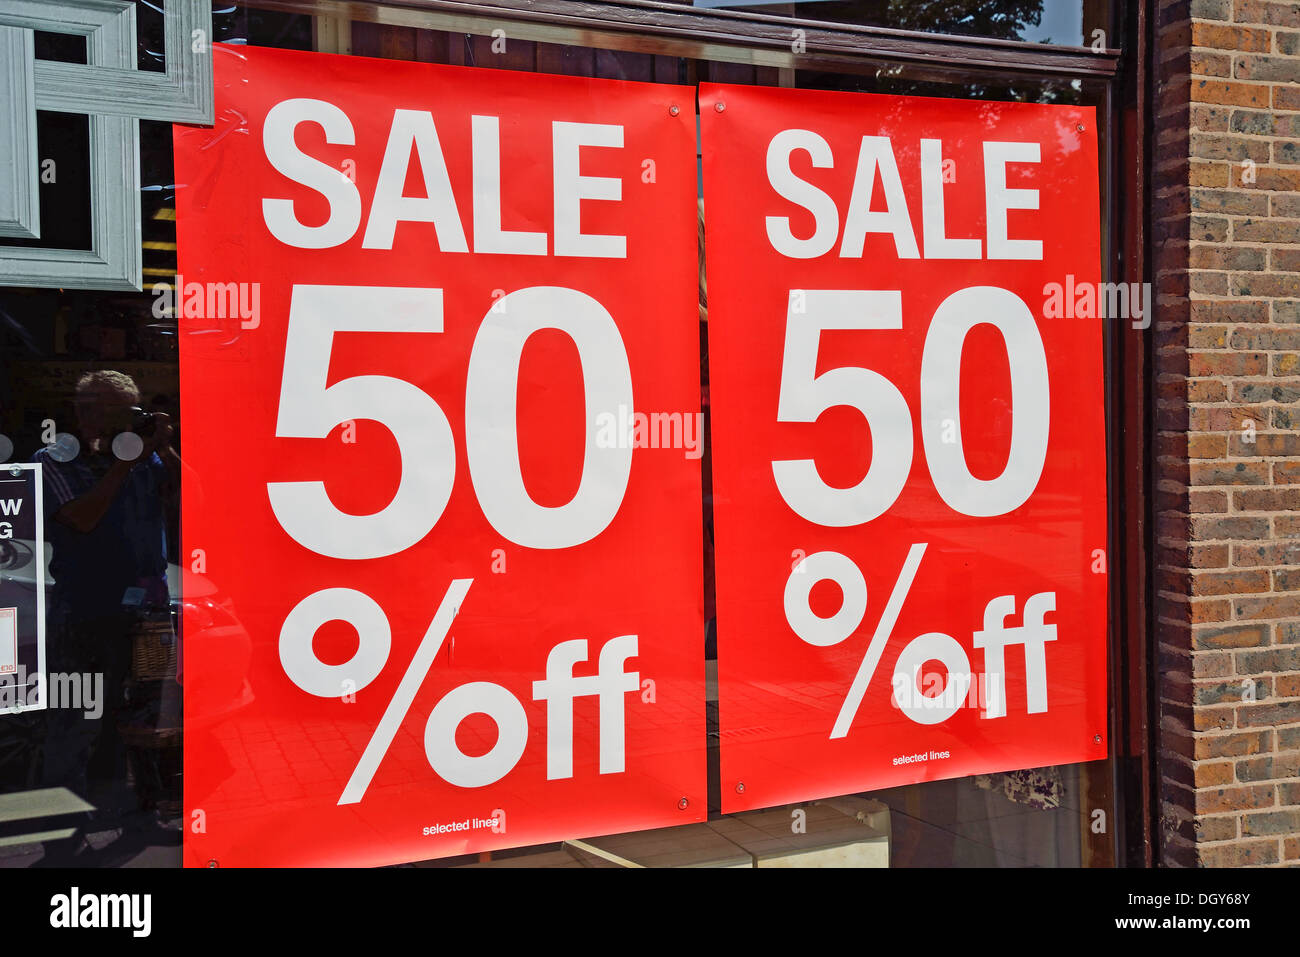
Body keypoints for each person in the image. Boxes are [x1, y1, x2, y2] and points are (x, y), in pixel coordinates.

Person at [34, 370, 178, 810]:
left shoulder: (144, 457)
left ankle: (119, 801)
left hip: (145, 611)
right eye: (107, 411)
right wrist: (127, 462)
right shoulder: (55, 459)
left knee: (142, 712)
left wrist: (163, 446)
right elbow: (82, 518)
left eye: (126, 413)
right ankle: (61, 810)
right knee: (75, 717)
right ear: (83, 412)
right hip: (85, 610)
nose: (117, 422)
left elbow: (197, 496)